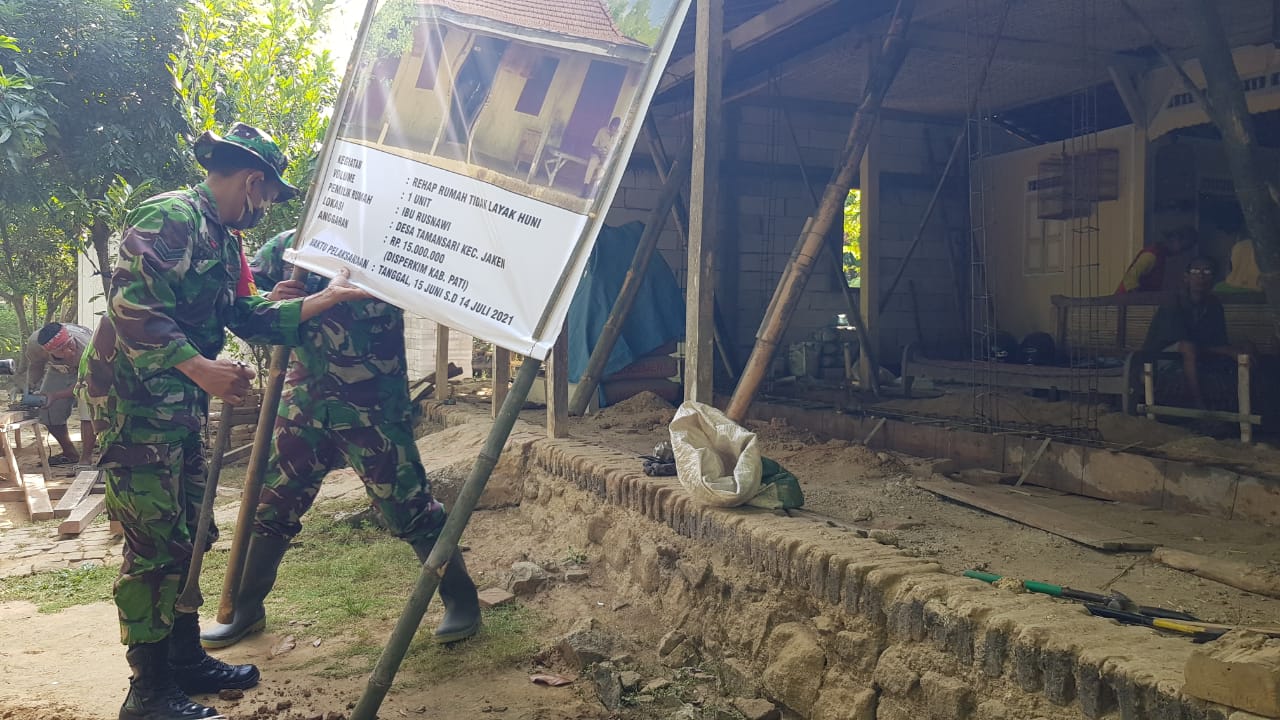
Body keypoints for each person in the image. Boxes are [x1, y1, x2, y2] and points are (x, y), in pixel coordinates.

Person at [78, 122, 372, 720]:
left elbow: (250, 313)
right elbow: (132, 307)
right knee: (153, 542)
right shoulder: (171, 218)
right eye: (265, 198)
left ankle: (183, 659)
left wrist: (328, 298)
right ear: (252, 181)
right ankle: (148, 691)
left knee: (189, 533)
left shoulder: (224, 240)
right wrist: (202, 370)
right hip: (136, 407)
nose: (263, 210)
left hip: (176, 405)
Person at [199, 230, 480, 650]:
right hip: (304, 405)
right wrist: (274, 301)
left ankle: (462, 600)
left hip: (374, 405)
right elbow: (246, 312)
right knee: (271, 505)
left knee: (410, 504)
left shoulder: (393, 242)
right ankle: (245, 608)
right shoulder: (289, 247)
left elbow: (446, 291)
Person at [1141, 256, 1248, 409]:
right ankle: (1199, 407)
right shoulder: (1173, 301)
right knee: (1188, 347)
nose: (1201, 276)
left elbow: (1219, 341)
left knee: (1246, 347)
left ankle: (1247, 408)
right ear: (1186, 277)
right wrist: (1225, 350)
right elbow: (1180, 341)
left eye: (1207, 271)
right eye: (1195, 271)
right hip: (1162, 357)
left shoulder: (1214, 305)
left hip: (1199, 354)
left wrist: (1233, 349)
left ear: (1214, 279)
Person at [25, 322, 95, 465]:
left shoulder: (90, 347)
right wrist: (30, 389)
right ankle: (70, 453)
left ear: (71, 337)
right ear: (49, 352)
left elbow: (85, 384)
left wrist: (55, 395)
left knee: (88, 412)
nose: (69, 351)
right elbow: (36, 366)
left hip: (89, 372)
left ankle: (86, 459)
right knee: (47, 410)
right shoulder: (34, 344)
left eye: (70, 344)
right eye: (62, 350)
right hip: (59, 368)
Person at [1116, 224, 1198, 294]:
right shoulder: (1151, 255)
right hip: (1126, 303)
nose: (1181, 253)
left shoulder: (1161, 257)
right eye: (1183, 248)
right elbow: (1130, 280)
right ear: (1174, 239)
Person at [584, 116, 621, 192]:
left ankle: (598, 190)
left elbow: (617, 152)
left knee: (606, 169)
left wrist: (608, 158)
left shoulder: (618, 136)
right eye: (613, 125)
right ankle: (585, 187)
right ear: (610, 124)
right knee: (593, 162)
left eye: (616, 126)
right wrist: (600, 154)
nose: (613, 127)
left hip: (609, 158)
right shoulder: (602, 131)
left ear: (618, 127)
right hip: (598, 154)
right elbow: (594, 145)